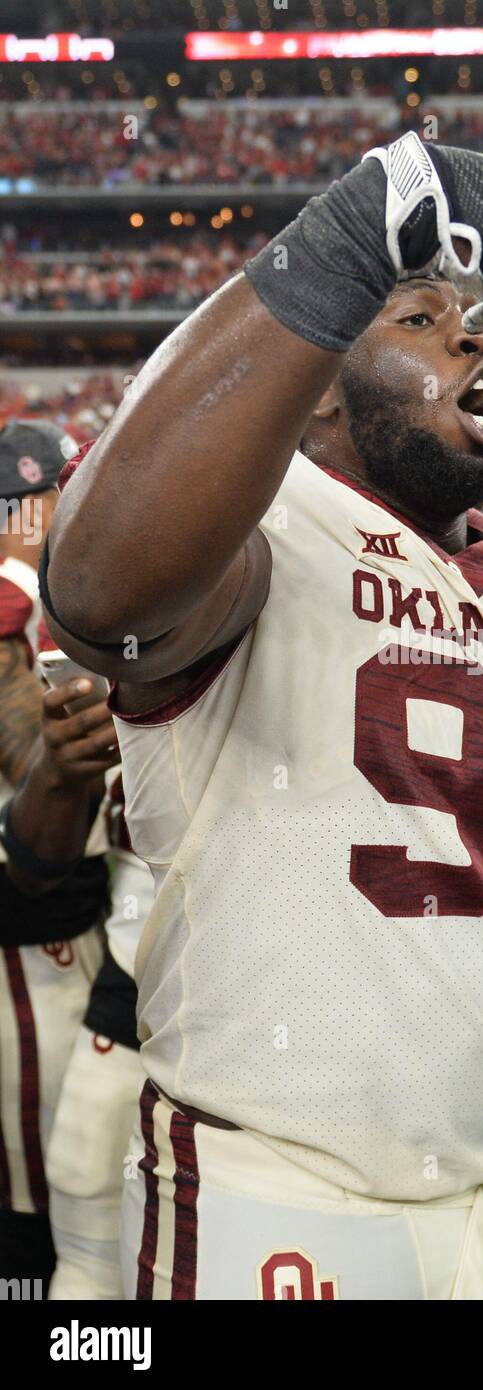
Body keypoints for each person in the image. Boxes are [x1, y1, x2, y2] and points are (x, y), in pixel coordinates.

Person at [40, 136, 483, 1300]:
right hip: (278, 1194)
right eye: (418, 320)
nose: (477, 338)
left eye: (482, 323)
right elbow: (102, 602)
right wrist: (354, 235)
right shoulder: (267, 531)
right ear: (309, 397)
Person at [0, 420, 109, 1290]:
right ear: (33, 506)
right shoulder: (18, 601)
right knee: (45, 1198)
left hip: (71, 922)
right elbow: (32, 755)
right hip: (29, 946)